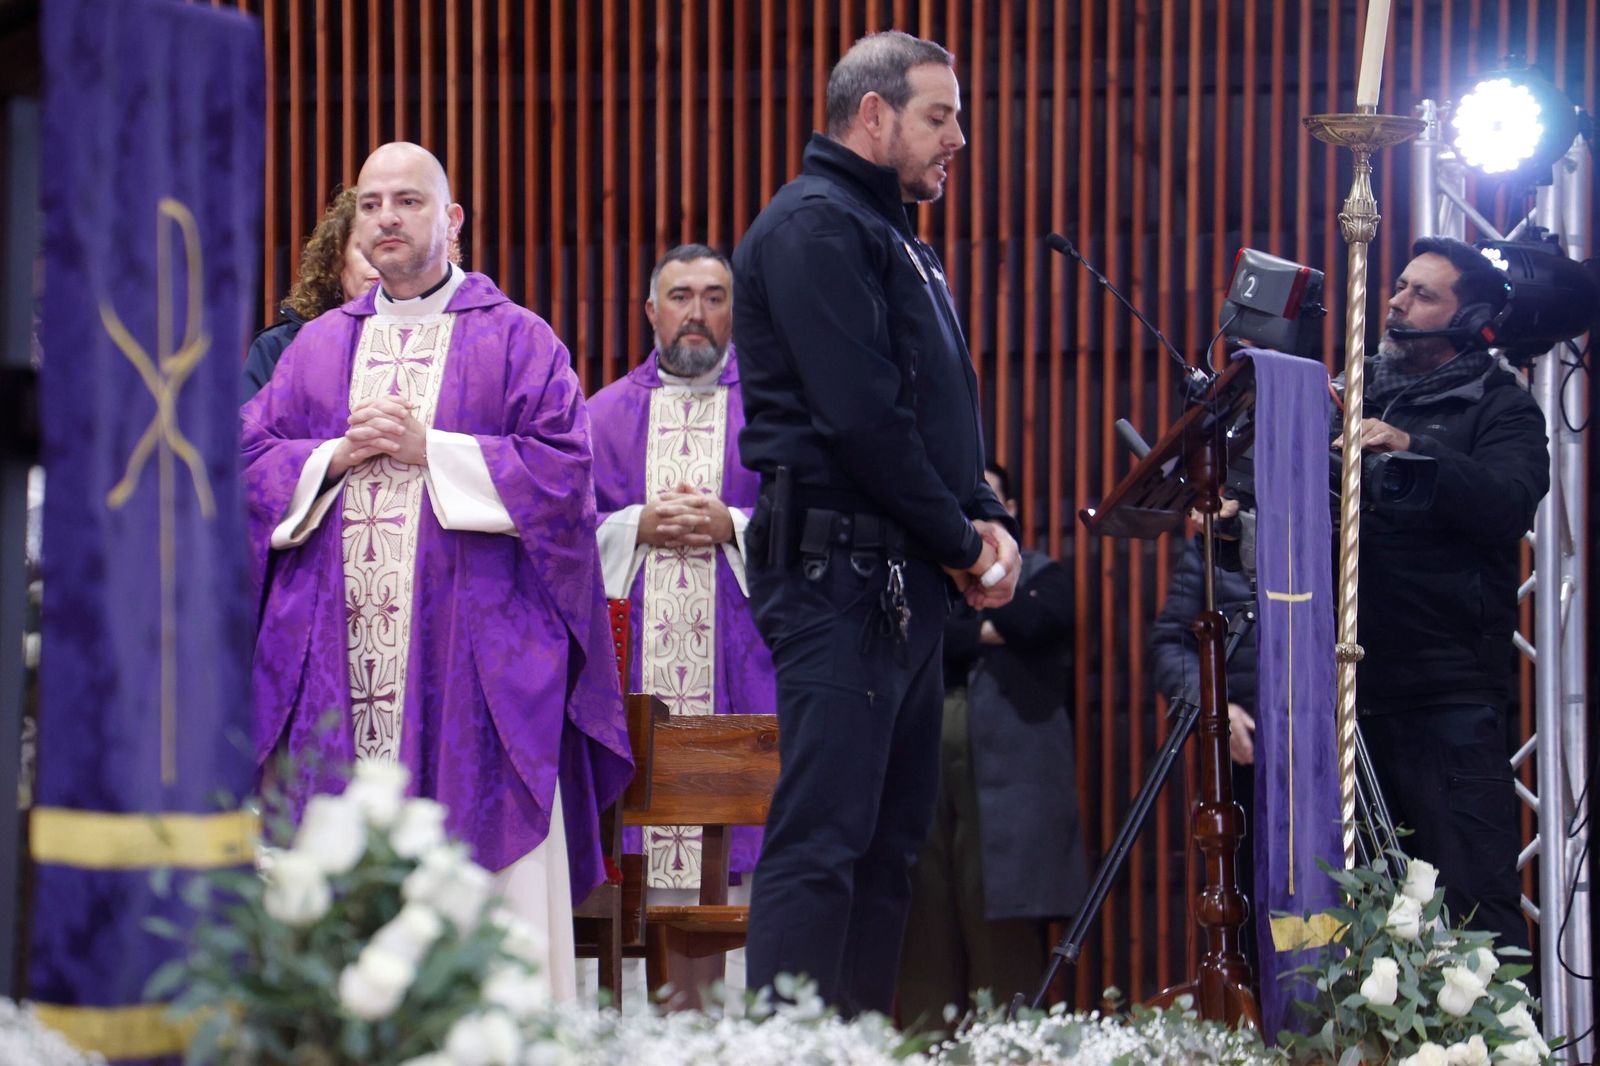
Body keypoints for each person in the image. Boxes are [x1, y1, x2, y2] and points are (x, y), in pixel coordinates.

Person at [240, 142, 633, 999]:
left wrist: (435, 452)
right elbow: (245, 461)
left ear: (451, 220)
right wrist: (335, 454)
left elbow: (566, 476)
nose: (387, 217)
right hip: (337, 667)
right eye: (372, 203)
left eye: (409, 201)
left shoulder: (517, 339)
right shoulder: (314, 348)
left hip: (471, 664)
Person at [732, 30, 1022, 1015]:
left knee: (890, 847)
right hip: (834, 575)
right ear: (872, 115)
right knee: (822, 840)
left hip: (891, 579)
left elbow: (941, 408)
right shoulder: (816, 225)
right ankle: (784, 1047)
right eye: (939, 116)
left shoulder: (890, 232)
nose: (958, 138)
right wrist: (959, 542)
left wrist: (982, 513)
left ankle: (849, 1041)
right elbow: (861, 416)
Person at [1345, 236, 1548, 955]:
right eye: (1398, 287)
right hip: (1346, 691)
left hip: (1448, 700)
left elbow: (1507, 501)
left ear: (1470, 321)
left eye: (1421, 295)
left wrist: (1410, 449)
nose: (1395, 303)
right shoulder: (1353, 394)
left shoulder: (1502, 407)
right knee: (1355, 917)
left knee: (1471, 911)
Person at [586, 243, 776, 894]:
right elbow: (555, 536)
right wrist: (631, 526)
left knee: (740, 888)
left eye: (714, 298)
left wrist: (738, 526)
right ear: (650, 310)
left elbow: (813, 523)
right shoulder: (600, 417)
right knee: (637, 879)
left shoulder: (774, 417)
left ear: (734, 312)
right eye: (680, 297)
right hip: (635, 673)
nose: (696, 313)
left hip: (742, 671)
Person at [897, 463, 1086, 1028]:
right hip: (925, 748)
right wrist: (985, 628)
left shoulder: (1048, 573)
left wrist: (975, 622)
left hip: (1012, 766)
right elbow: (921, 636)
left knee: (999, 912)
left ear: (1010, 514)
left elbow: (1035, 624)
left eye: (989, 505)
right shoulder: (922, 580)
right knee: (923, 906)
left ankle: (1011, 1049)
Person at [240, 187, 379, 402]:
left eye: (388, 250)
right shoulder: (278, 347)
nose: (379, 262)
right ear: (338, 260)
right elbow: (246, 432)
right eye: (366, 249)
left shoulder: (431, 340)